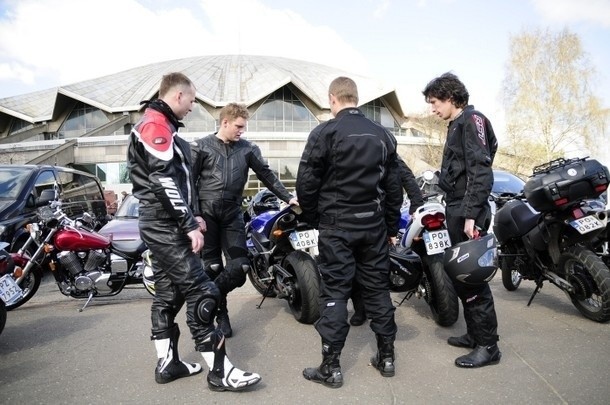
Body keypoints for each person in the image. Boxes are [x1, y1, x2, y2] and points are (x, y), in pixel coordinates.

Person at [127, 72, 261, 391]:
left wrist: (191, 215)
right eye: (191, 99)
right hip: (165, 227)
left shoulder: (158, 123)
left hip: (161, 223)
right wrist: (188, 223)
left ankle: (168, 364)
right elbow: (162, 178)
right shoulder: (156, 124)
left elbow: (178, 179)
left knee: (167, 295)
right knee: (203, 291)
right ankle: (220, 372)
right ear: (178, 96)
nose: (192, 106)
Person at [297, 76, 403, 388]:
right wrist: (391, 227)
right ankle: (386, 357)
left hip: (337, 226)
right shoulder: (382, 134)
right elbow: (393, 187)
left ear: (333, 99)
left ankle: (331, 367)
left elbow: (306, 184)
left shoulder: (324, 132)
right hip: (372, 227)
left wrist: (315, 218)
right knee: (377, 291)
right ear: (355, 98)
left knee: (335, 293)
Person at [191, 102, 298, 338]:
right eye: (238, 126)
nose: (242, 131)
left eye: (244, 127)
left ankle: (207, 298)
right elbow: (188, 182)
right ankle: (221, 314)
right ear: (225, 122)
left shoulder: (248, 149)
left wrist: (288, 198)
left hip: (232, 214)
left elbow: (267, 175)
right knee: (212, 267)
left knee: (240, 267)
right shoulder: (201, 147)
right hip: (206, 215)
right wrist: (195, 214)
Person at [422, 72, 500, 368]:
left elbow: (481, 170)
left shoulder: (471, 120)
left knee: (472, 278)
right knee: (462, 278)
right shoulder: (459, 123)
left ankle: (488, 347)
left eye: (434, 102)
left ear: (451, 97)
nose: (432, 108)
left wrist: (471, 215)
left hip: (468, 212)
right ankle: (475, 334)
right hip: (458, 206)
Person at [349, 155, 424, 326]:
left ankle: (375, 309)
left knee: (373, 268)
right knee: (360, 268)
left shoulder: (386, 151)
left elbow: (406, 177)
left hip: (376, 220)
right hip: (357, 219)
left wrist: (415, 204)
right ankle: (363, 309)